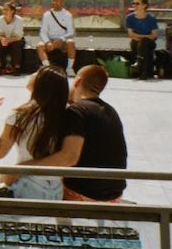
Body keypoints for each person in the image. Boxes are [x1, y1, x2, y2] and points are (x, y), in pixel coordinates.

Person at [13, 64, 127, 202]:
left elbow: (69, 158)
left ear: (78, 81)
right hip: (115, 195)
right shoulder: (111, 111)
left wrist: (23, 168)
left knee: (37, 184)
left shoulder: (77, 112)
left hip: (83, 195)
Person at [0, 66, 68, 200]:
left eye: (37, 73)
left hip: (28, 184)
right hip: (56, 189)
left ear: (40, 84)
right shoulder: (68, 114)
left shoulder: (21, 115)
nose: (33, 74)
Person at [37, 0, 76, 73]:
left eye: (57, 1)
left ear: (62, 2)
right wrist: (47, 42)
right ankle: (47, 68)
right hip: (50, 41)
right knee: (40, 45)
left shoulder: (68, 15)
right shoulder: (46, 15)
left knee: (71, 42)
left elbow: (71, 32)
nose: (54, 3)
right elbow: (43, 32)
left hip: (62, 41)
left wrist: (61, 39)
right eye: (53, 1)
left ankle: (69, 68)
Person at [125, 0, 159, 80]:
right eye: (133, 3)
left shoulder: (150, 18)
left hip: (149, 42)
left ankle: (139, 65)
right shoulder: (129, 18)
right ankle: (143, 71)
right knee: (138, 43)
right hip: (136, 40)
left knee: (143, 43)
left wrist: (142, 37)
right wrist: (145, 36)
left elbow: (154, 35)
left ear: (144, 5)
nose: (135, 5)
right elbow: (131, 34)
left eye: (137, 3)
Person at [0, 1, 25, 75]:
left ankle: (17, 67)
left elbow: (18, 36)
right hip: (4, 39)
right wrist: (3, 39)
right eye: (3, 9)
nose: (4, 11)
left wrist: (8, 40)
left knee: (16, 45)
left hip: (17, 39)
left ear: (12, 11)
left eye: (7, 9)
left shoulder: (19, 20)